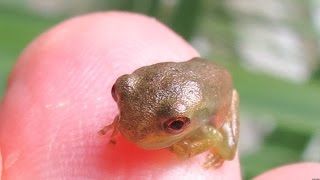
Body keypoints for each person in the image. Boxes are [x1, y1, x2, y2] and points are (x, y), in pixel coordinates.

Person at [0, 12, 319, 180]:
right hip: (186, 77)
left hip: (212, 91)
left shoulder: (204, 118)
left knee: (228, 145)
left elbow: (221, 142)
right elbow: (138, 95)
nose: (133, 128)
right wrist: (123, 120)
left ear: (185, 119)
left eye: (175, 124)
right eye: (118, 93)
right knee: (145, 105)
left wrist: (187, 145)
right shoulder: (137, 94)